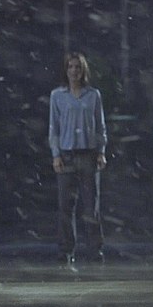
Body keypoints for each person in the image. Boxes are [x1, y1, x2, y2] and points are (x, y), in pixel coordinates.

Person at [49, 51, 108, 265]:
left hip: (88, 154)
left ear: (83, 70)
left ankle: (94, 250)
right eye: (70, 67)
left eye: (77, 67)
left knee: (91, 206)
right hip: (66, 155)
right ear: (66, 70)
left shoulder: (93, 95)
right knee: (65, 206)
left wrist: (101, 151)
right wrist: (56, 154)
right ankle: (66, 250)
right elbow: (54, 127)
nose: (74, 71)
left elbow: (100, 125)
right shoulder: (57, 95)